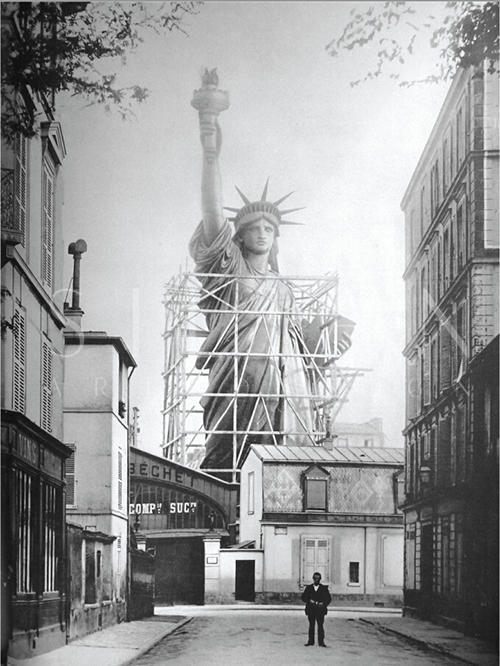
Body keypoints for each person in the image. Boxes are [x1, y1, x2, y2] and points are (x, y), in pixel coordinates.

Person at [189, 74, 317, 473]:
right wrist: (210, 148)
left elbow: (296, 348)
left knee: (269, 467)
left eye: (269, 229)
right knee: (224, 461)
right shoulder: (228, 267)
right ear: (239, 237)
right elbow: (212, 213)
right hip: (234, 378)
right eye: (254, 228)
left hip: (275, 386)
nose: (262, 233)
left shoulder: (282, 289)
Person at [301, 571, 331, 647]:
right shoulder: (309, 588)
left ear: (320, 579)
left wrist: (323, 603)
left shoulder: (324, 588)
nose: (316, 580)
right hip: (311, 610)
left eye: (318, 579)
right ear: (313, 579)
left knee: (320, 626)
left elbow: (328, 599)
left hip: (320, 610)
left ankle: (321, 642)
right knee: (311, 626)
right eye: (315, 578)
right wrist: (309, 600)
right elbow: (303, 597)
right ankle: (311, 641)